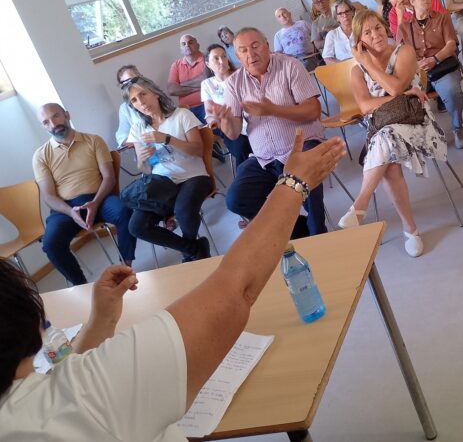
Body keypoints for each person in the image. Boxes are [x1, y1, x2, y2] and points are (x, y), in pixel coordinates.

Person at [0, 133, 347, 440]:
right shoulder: (82, 401)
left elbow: (66, 380)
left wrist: (100, 321)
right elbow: (236, 289)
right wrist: (295, 184)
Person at [338, 10, 448, 257]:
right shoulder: (356, 71)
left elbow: (395, 86)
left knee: (385, 143)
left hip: (416, 121)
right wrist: (404, 94)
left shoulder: (403, 52)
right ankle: (410, 229)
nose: (375, 35)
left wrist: (370, 65)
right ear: (359, 41)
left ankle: (361, 205)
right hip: (383, 128)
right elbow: (365, 106)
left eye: (377, 28)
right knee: (389, 155)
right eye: (367, 33)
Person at [212, 27, 328, 239]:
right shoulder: (234, 83)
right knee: (236, 199)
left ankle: (319, 234)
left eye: (255, 46)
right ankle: (298, 231)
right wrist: (224, 120)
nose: (251, 54)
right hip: (265, 158)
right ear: (237, 56)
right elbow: (234, 133)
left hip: (302, 146)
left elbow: (313, 111)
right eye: (243, 50)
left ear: (267, 46)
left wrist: (273, 110)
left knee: (303, 175)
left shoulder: (289, 66)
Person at [33, 104, 136, 285]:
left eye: (56, 116)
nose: (53, 124)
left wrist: (95, 203)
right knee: (51, 243)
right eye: (46, 122)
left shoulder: (93, 140)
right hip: (66, 208)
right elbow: (48, 196)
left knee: (124, 211)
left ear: (67, 115)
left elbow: (109, 177)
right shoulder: (40, 156)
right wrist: (70, 211)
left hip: (100, 199)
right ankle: (81, 286)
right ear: (43, 126)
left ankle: (124, 268)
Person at [123, 76, 213, 262]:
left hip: (193, 176)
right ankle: (193, 249)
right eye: (134, 100)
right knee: (136, 226)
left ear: (155, 93)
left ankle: (190, 256)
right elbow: (145, 170)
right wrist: (142, 160)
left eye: (143, 94)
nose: (141, 102)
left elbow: (198, 151)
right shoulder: (138, 128)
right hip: (162, 183)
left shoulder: (181, 115)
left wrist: (167, 139)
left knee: (183, 211)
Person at [397, 0, 463, 149]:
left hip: (442, 66)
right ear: (412, 1)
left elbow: (451, 44)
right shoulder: (405, 27)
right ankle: (425, 136)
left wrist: (434, 59)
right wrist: (415, 64)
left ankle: (457, 128)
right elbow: (399, 55)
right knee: (404, 99)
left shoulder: (442, 18)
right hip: (418, 74)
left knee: (451, 91)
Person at [201, 44, 253, 167]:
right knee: (241, 146)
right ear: (208, 64)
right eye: (216, 58)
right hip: (227, 125)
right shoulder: (207, 84)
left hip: (250, 119)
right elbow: (209, 113)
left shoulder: (241, 75)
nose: (221, 61)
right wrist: (214, 120)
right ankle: (246, 173)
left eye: (224, 56)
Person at [167, 34, 209, 123]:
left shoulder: (207, 58)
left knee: (211, 124)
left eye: (190, 42)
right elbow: (171, 90)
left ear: (197, 45)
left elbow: (207, 78)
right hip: (186, 110)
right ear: (181, 49)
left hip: (206, 104)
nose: (187, 45)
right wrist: (202, 86)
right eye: (183, 44)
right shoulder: (176, 65)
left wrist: (181, 85)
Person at [115, 64, 144, 147]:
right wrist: (139, 142)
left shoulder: (154, 95)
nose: (131, 85)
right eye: (126, 83)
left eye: (134, 79)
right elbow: (122, 137)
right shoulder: (125, 108)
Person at [322, 0, 356, 64]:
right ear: (336, 17)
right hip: (343, 68)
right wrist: (344, 64)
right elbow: (327, 58)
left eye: (347, 11)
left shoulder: (361, 29)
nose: (345, 15)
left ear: (352, 12)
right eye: (340, 13)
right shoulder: (332, 34)